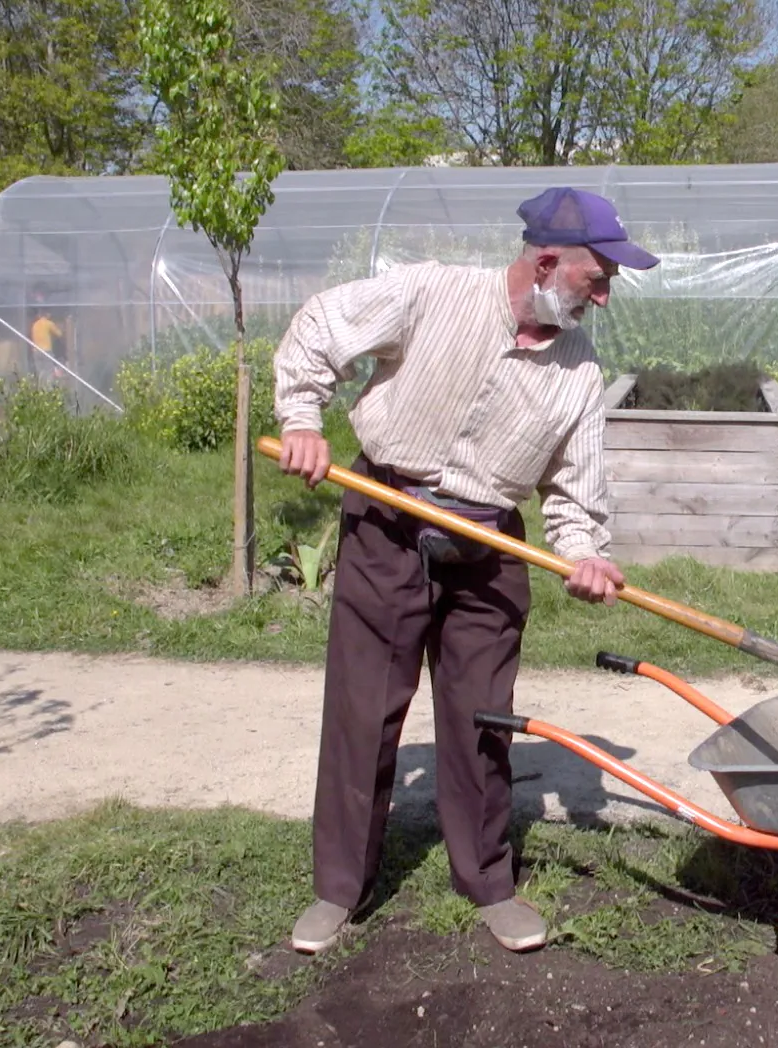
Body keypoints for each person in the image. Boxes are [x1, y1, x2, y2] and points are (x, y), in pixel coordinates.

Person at [271, 186, 659, 957]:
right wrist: (301, 420)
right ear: (548, 261)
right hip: (384, 519)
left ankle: (488, 881)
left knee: (483, 718)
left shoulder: (579, 372)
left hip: (487, 548)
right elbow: (320, 327)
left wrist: (581, 552)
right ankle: (338, 889)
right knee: (362, 712)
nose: (606, 295)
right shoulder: (432, 291)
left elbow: (575, 490)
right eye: (599, 276)